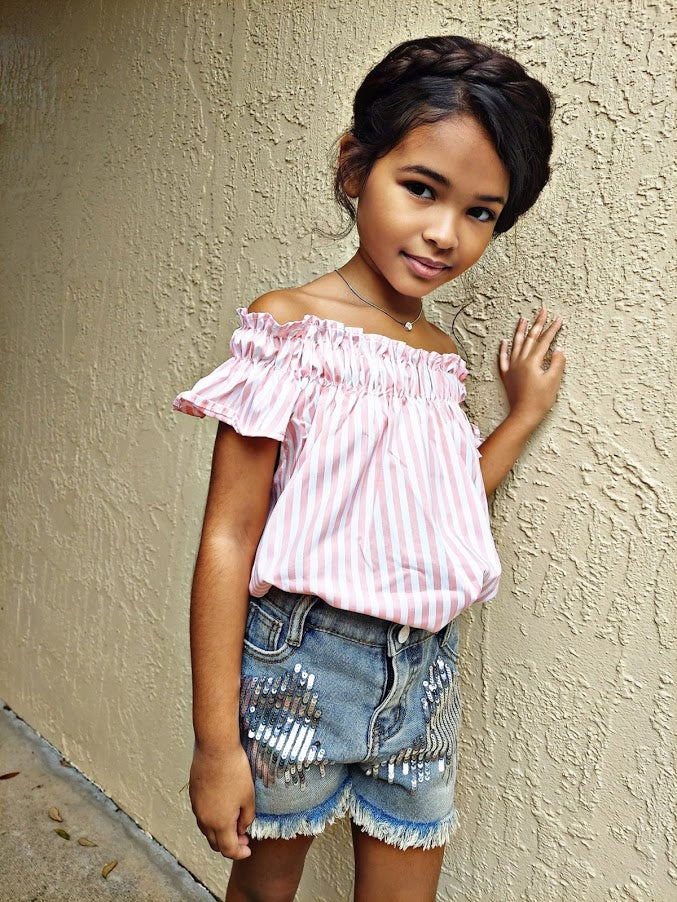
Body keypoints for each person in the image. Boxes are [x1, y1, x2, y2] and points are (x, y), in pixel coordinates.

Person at [173, 34, 565, 902]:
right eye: (421, 188)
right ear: (355, 167)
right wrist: (215, 744)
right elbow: (230, 537)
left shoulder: (439, 355)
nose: (444, 233)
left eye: (480, 212)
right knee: (263, 891)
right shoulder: (290, 329)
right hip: (298, 665)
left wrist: (521, 416)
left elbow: (442, 508)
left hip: (423, 676)